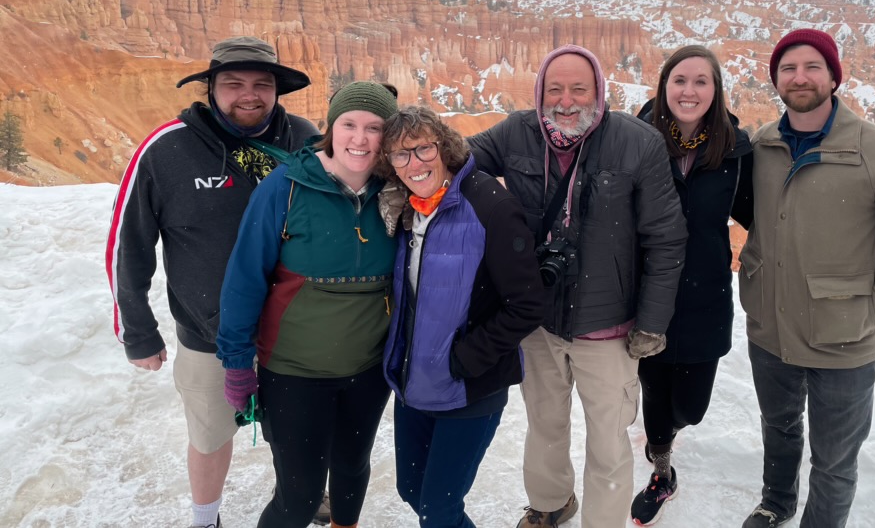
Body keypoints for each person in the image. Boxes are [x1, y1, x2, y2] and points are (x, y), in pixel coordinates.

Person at [468, 44, 687, 528]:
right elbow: (458, 163)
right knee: (544, 425)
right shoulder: (516, 132)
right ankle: (550, 505)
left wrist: (652, 322)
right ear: (541, 90)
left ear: (598, 91)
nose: (566, 101)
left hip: (607, 325)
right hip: (537, 319)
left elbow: (666, 239)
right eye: (555, 89)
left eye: (579, 89)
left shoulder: (637, 142)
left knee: (609, 441)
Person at [105, 36, 320, 528]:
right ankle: (206, 519)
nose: (249, 95)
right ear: (209, 88)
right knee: (209, 434)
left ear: (277, 90)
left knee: (301, 429)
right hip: (209, 335)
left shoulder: (305, 140)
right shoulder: (167, 150)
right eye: (234, 83)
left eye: (262, 84)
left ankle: (302, 497)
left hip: (301, 329)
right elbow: (128, 243)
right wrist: (137, 330)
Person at [739, 29, 875, 528]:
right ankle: (776, 502)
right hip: (770, 328)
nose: (800, 77)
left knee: (833, 459)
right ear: (776, 80)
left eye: (812, 67)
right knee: (779, 429)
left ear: (833, 76)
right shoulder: (761, 147)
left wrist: (871, 306)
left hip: (844, 340)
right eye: (788, 68)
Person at [216, 81, 400, 528]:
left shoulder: (399, 192)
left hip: (368, 371)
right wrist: (238, 364)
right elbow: (244, 279)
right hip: (294, 373)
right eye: (349, 124)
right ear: (330, 129)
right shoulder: (286, 188)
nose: (359, 139)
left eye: (374, 128)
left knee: (352, 472)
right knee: (298, 495)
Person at [379, 105, 546, 528]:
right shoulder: (405, 209)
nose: (413, 163)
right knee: (412, 491)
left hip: (470, 387)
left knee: (439, 509)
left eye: (422, 149)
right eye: (400, 154)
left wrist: (467, 358)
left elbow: (527, 304)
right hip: (414, 383)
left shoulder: (489, 204)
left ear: (444, 147)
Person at [630, 45, 754, 526]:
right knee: (657, 394)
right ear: (664, 86)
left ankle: (670, 431)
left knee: (693, 406)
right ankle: (662, 470)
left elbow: (761, 216)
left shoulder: (736, 151)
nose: (689, 90)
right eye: (680, 80)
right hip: (649, 296)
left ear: (715, 90)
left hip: (705, 297)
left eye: (701, 81)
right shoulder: (637, 140)